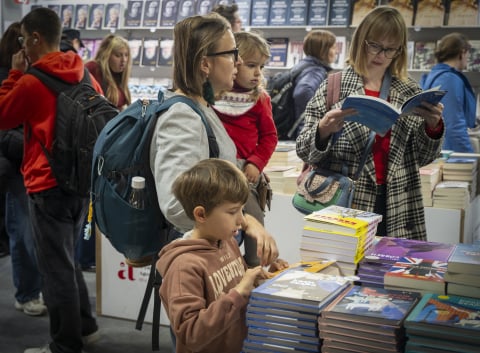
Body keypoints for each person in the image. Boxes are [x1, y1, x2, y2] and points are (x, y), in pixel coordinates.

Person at [296, 6, 445, 240]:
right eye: (374, 45)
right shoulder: (334, 85)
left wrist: (432, 127)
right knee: (346, 273)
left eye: (389, 49)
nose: (380, 56)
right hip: (348, 200)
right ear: (361, 41)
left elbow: (424, 158)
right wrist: (322, 130)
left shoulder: (409, 90)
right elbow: (303, 149)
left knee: (393, 274)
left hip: (399, 203)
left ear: (399, 50)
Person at [0, 8, 101, 353]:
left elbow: (2, 116)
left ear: (35, 38)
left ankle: (64, 344)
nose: (22, 46)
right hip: (80, 182)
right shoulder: (86, 75)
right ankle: (85, 327)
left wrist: (14, 74)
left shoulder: (32, 81)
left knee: (55, 269)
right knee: (68, 261)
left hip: (46, 185)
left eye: (23, 39)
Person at [150, 12, 279, 265]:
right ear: (205, 64)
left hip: (211, 253)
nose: (239, 61)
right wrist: (242, 218)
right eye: (232, 54)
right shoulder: (183, 117)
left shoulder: (202, 107)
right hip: (196, 260)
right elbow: (177, 205)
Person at [157, 158, 287, 353]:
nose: (242, 220)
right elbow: (190, 333)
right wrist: (239, 292)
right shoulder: (184, 267)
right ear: (201, 215)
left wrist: (267, 279)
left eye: (242, 210)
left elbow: (236, 295)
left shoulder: (226, 242)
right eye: (233, 211)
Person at [212, 31, 277, 267]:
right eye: (251, 65)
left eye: (261, 66)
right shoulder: (212, 95)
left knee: (253, 219)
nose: (258, 72)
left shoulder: (259, 99)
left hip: (245, 174)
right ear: (233, 63)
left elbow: (269, 137)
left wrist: (256, 162)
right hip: (215, 171)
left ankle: (254, 267)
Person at [0, 21, 46, 317]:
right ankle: (27, 292)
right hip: (17, 166)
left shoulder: (33, 77)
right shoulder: (8, 78)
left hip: (34, 166)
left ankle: (32, 289)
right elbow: (5, 129)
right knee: (23, 232)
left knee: (33, 234)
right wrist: (35, 142)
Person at [420, 32, 477, 153]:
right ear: (462, 52)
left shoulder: (435, 75)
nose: (468, 58)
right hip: (451, 153)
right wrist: (468, 158)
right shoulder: (449, 79)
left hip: (441, 149)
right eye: (468, 54)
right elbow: (453, 124)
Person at [292, 30, 337, 138]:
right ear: (323, 50)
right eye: (333, 47)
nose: (336, 51)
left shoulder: (304, 65)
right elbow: (303, 91)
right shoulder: (316, 70)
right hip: (304, 130)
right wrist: (318, 114)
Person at [85, 34, 132, 111]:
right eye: (118, 55)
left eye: (126, 55)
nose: (124, 60)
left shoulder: (118, 75)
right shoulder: (94, 69)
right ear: (106, 55)